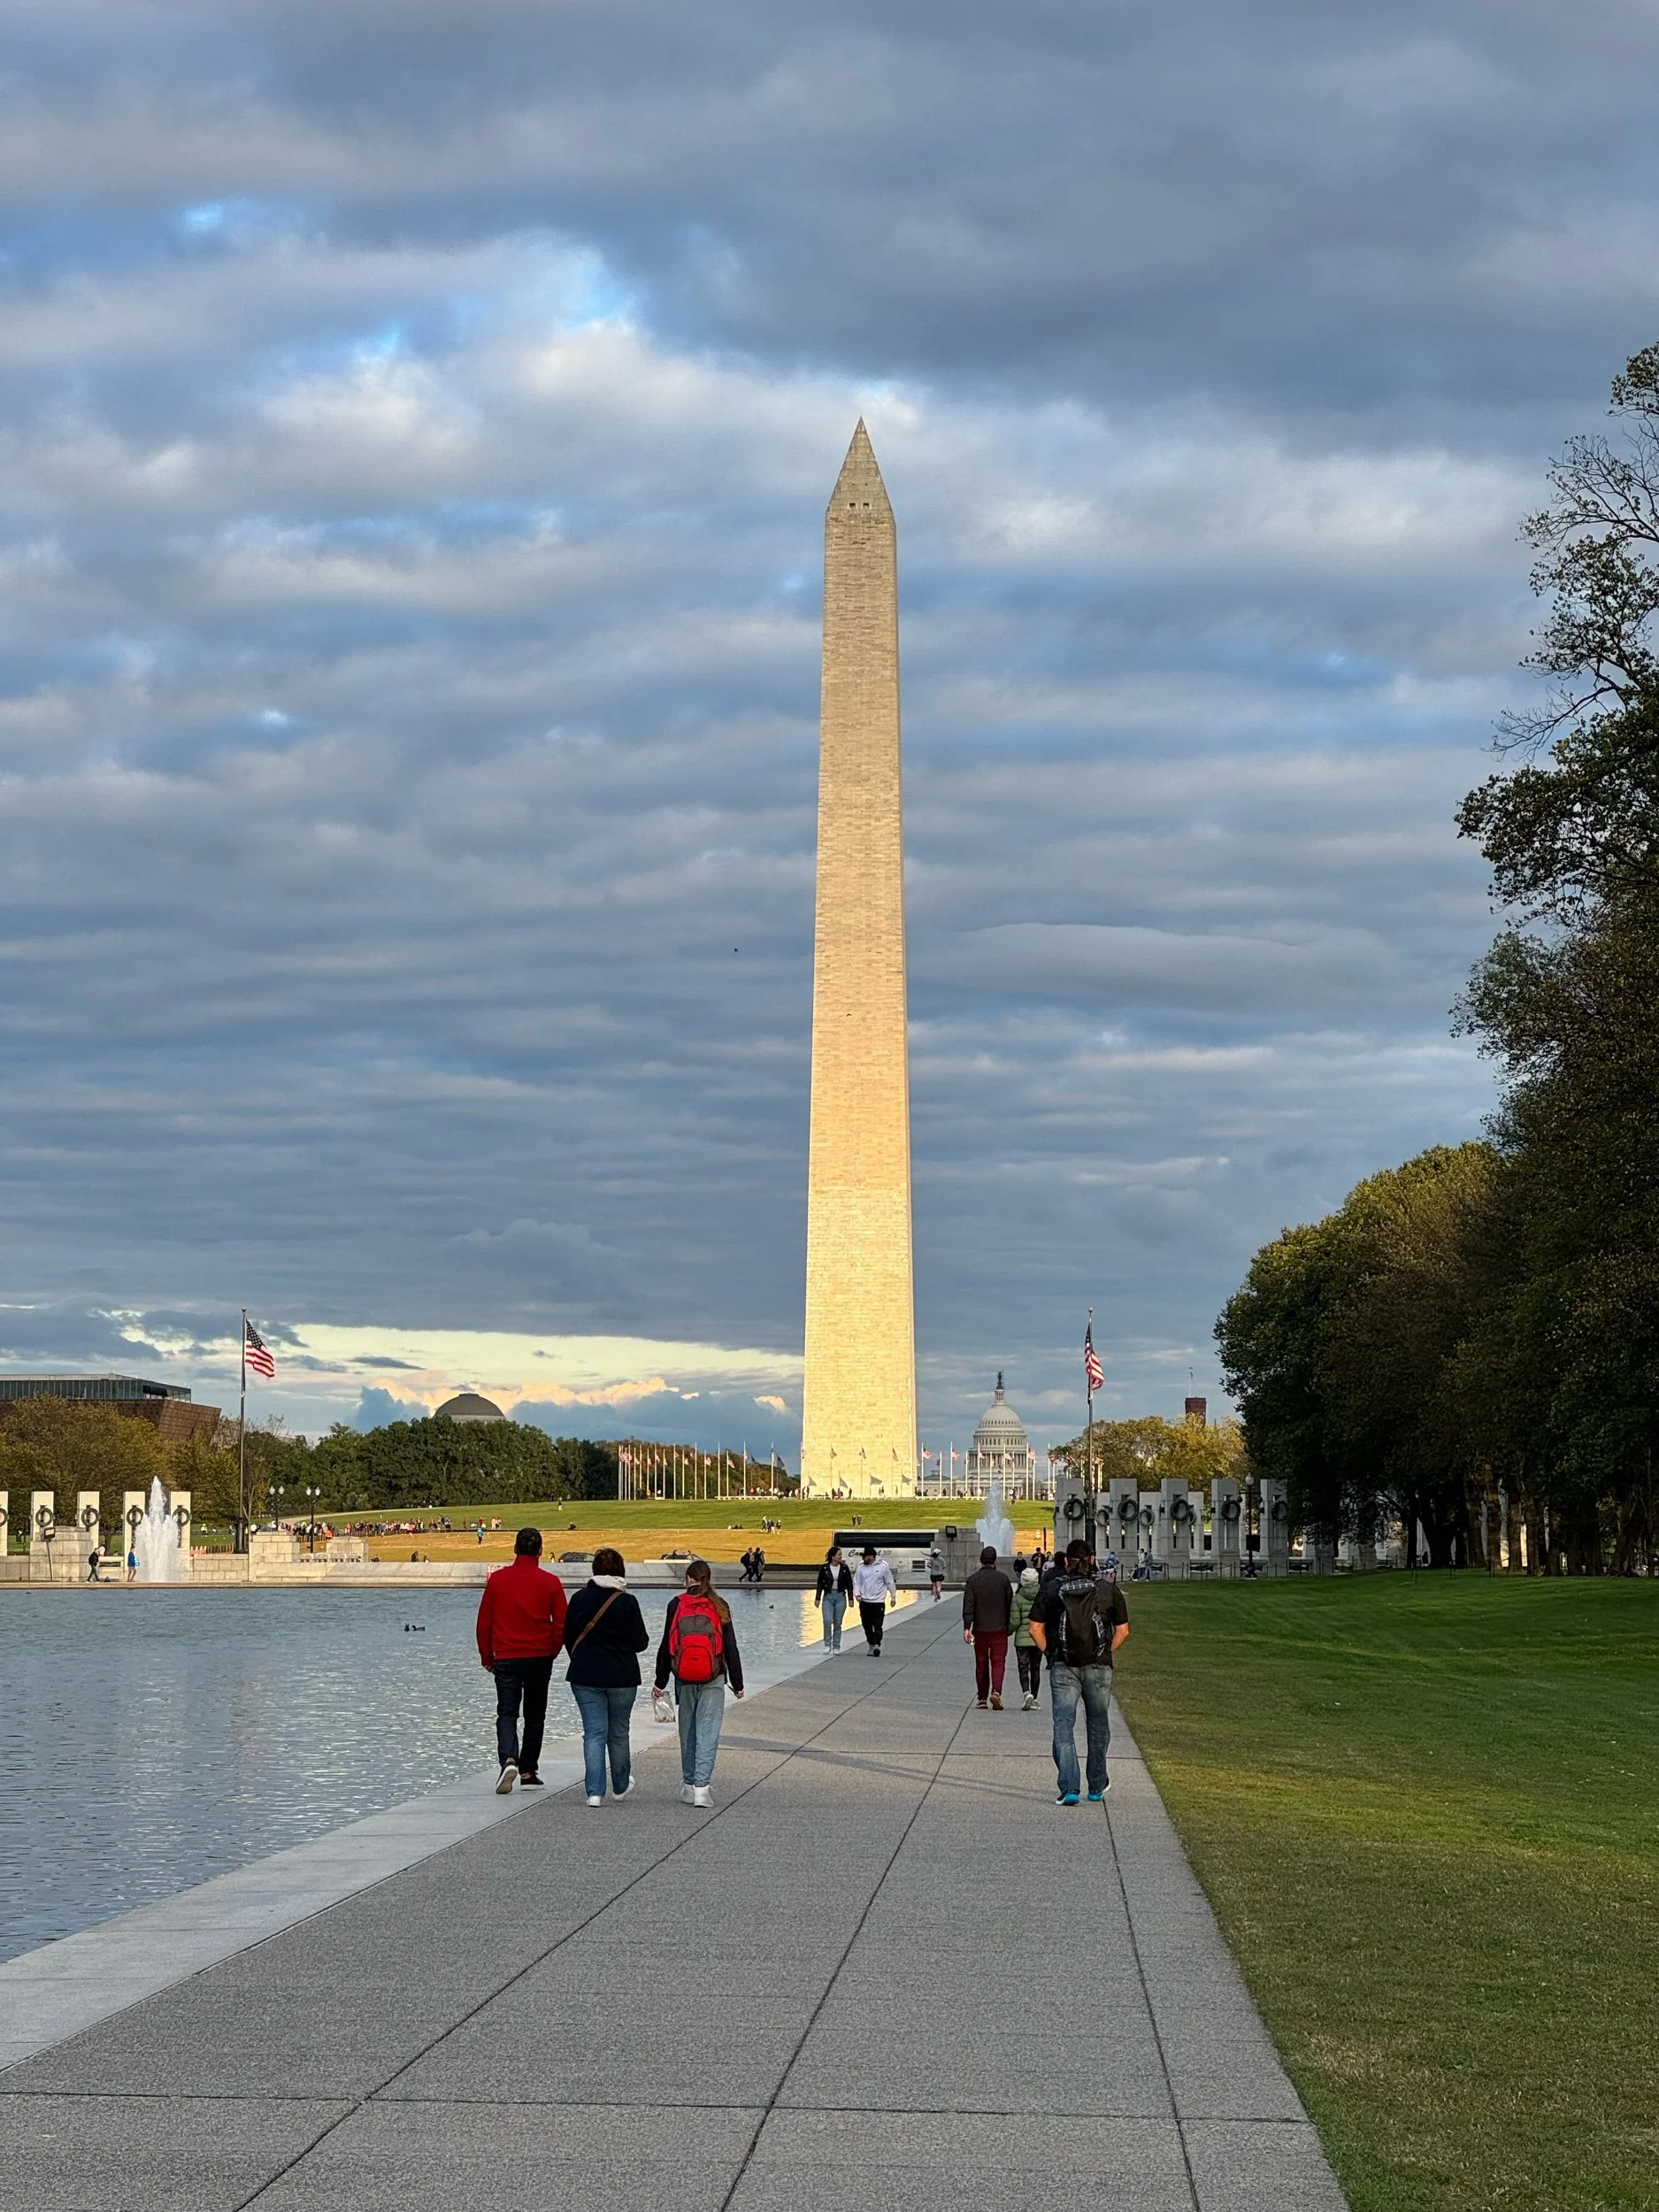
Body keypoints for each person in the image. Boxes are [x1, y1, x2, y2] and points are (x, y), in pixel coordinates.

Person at [1029, 1535, 1130, 1804]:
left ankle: (1069, 1787)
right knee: (1098, 1725)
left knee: (1064, 1726)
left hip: (1063, 1665)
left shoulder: (1052, 1588)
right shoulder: (1107, 1589)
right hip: (1098, 1666)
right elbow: (1123, 1631)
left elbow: (1035, 1629)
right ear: (1092, 1560)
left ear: (1065, 1561)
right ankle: (1096, 1784)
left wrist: (1050, 1654)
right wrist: (1106, 1652)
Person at [475, 1527, 568, 1794]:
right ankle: (528, 1770)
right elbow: (562, 1623)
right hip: (539, 1655)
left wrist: (486, 1656)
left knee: (507, 1713)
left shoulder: (498, 1581)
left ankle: (508, 1759)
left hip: (505, 1656)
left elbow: (484, 1623)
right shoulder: (550, 1582)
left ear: (515, 1549)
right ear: (540, 1550)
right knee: (535, 1716)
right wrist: (552, 1650)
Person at [653, 1558, 745, 1808]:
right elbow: (731, 1648)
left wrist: (660, 1681)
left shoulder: (676, 1604)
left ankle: (688, 1784)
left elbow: (666, 1646)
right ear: (708, 1578)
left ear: (688, 1578)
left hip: (683, 1676)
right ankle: (702, 1788)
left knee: (688, 1731)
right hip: (713, 1675)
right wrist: (737, 1683)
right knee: (708, 1731)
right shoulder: (719, 1605)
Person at [563, 1547, 649, 1806]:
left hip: (585, 1675)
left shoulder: (579, 1598)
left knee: (594, 1734)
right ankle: (620, 1786)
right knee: (619, 1733)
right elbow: (640, 1642)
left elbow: (567, 1636)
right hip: (622, 1676)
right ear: (621, 1571)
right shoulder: (627, 1601)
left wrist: (580, 1658)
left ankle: (594, 1792)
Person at [961, 1544, 1014, 1709]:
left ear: (981, 1561)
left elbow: (968, 1604)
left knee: (981, 1662)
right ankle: (996, 1691)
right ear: (995, 1560)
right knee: (998, 1662)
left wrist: (967, 1626)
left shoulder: (973, 1580)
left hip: (980, 1628)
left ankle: (982, 1698)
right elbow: (1009, 1602)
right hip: (999, 1627)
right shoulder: (1003, 1579)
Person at [852, 1543, 897, 1654]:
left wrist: (893, 1596)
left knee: (878, 1624)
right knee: (866, 1625)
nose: (865, 1559)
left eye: (867, 1557)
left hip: (878, 1601)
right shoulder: (861, 1566)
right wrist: (856, 1594)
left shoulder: (883, 1566)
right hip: (865, 1601)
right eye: (864, 1557)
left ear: (872, 1556)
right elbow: (857, 1582)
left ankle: (877, 1644)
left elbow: (889, 1581)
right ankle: (871, 1644)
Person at [1010, 1563, 1042, 1709]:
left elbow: (1015, 1621)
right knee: (1036, 1668)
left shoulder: (1018, 1598)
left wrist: (1008, 1631)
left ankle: (1026, 1692)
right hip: (1038, 1638)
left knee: (1023, 1667)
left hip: (1022, 1639)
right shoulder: (1042, 1596)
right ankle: (1034, 1698)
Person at [815, 1544, 854, 1650]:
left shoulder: (844, 1568)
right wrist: (817, 1598)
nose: (841, 1556)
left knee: (837, 1622)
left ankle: (836, 1645)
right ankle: (827, 1643)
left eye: (841, 1554)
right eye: (839, 1554)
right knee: (827, 1620)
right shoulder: (825, 1568)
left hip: (840, 1596)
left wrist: (851, 1598)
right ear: (833, 1556)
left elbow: (849, 1583)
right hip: (828, 1596)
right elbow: (820, 1584)